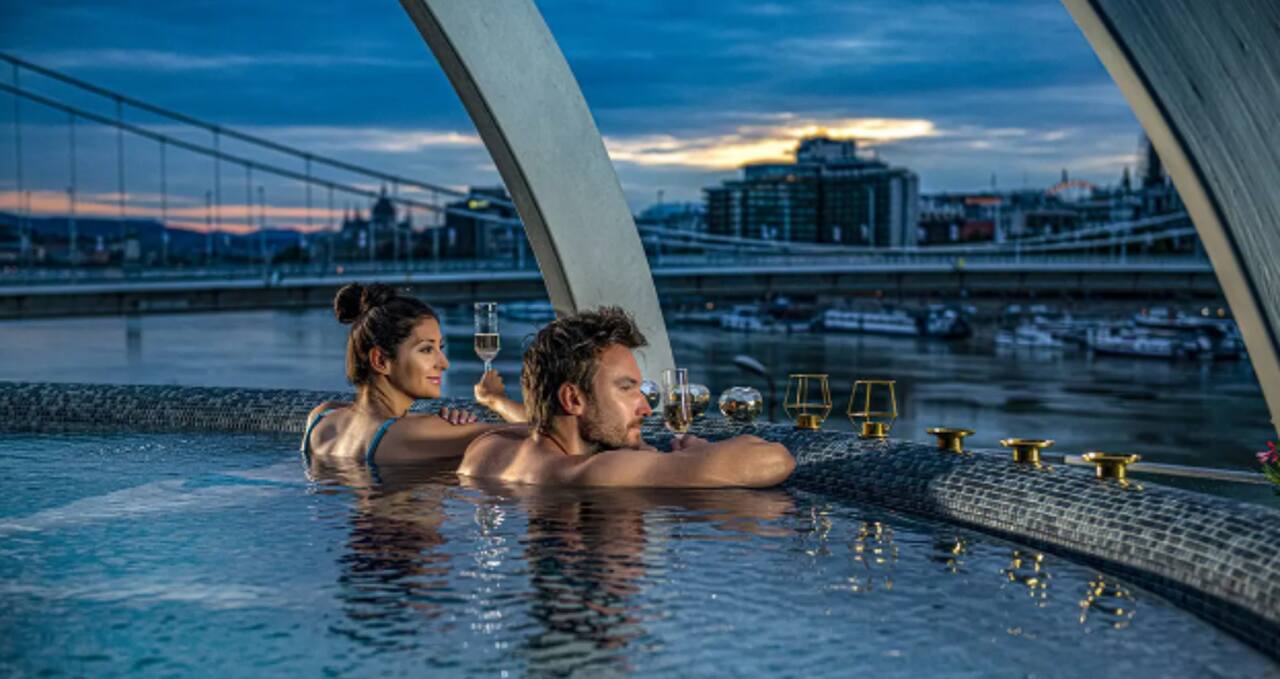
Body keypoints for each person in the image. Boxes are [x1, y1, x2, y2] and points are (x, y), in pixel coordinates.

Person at [458, 307, 795, 487]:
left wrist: (498, 403)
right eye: (626, 388)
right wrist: (700, 451)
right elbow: (777, 460)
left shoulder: (487, 449)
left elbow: (538, 427)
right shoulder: (598, 472)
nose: (646, 407)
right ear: (573, 399)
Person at [301, 283, 526, 471]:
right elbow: (545, 431)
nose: (444, 363)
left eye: (441, 348)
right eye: (427, 350)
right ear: (380, 361)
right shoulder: (410, 432)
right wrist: (495, 399)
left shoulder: (322, 417)